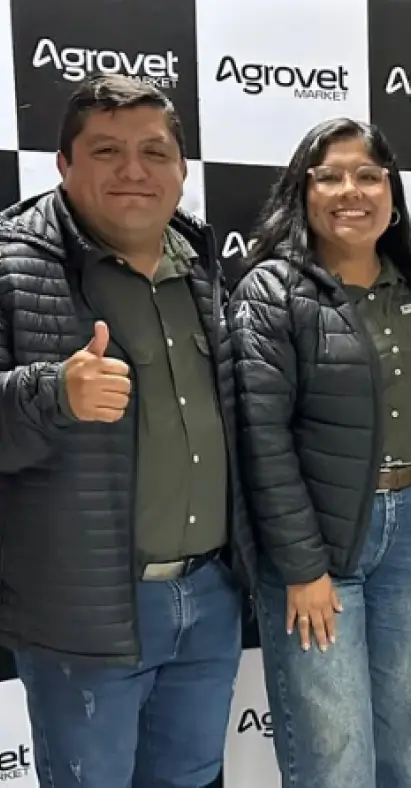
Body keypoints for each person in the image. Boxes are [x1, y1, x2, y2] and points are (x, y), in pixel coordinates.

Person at [0, 73, 252, 786]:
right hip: (86, 610)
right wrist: (53, 393)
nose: (135, 170)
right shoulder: (10, 264)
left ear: (180, 168)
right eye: (107, 151)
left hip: (209, 595)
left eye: (154, 151)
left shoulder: (202, 265)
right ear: (63, 165)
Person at [228, 117, 411, 788]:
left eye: (368, 175)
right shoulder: (272, 291)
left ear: (393, 194)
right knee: (334, 754)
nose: (350, 189)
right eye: (328, 175)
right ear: (302, 191)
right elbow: (260, 441)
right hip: (317, 544)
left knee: (401, 737)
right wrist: (302, 568)